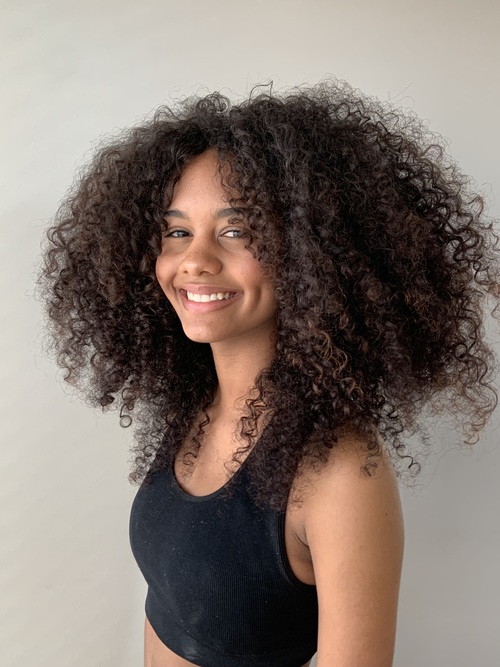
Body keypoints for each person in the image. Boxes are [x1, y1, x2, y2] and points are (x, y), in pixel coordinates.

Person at [38, 80, 500, 667]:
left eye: (237, 231)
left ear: (310, 254)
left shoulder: (337, 474)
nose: (195, 260)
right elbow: (172, 606)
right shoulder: (198, 406)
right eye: (177, 232)